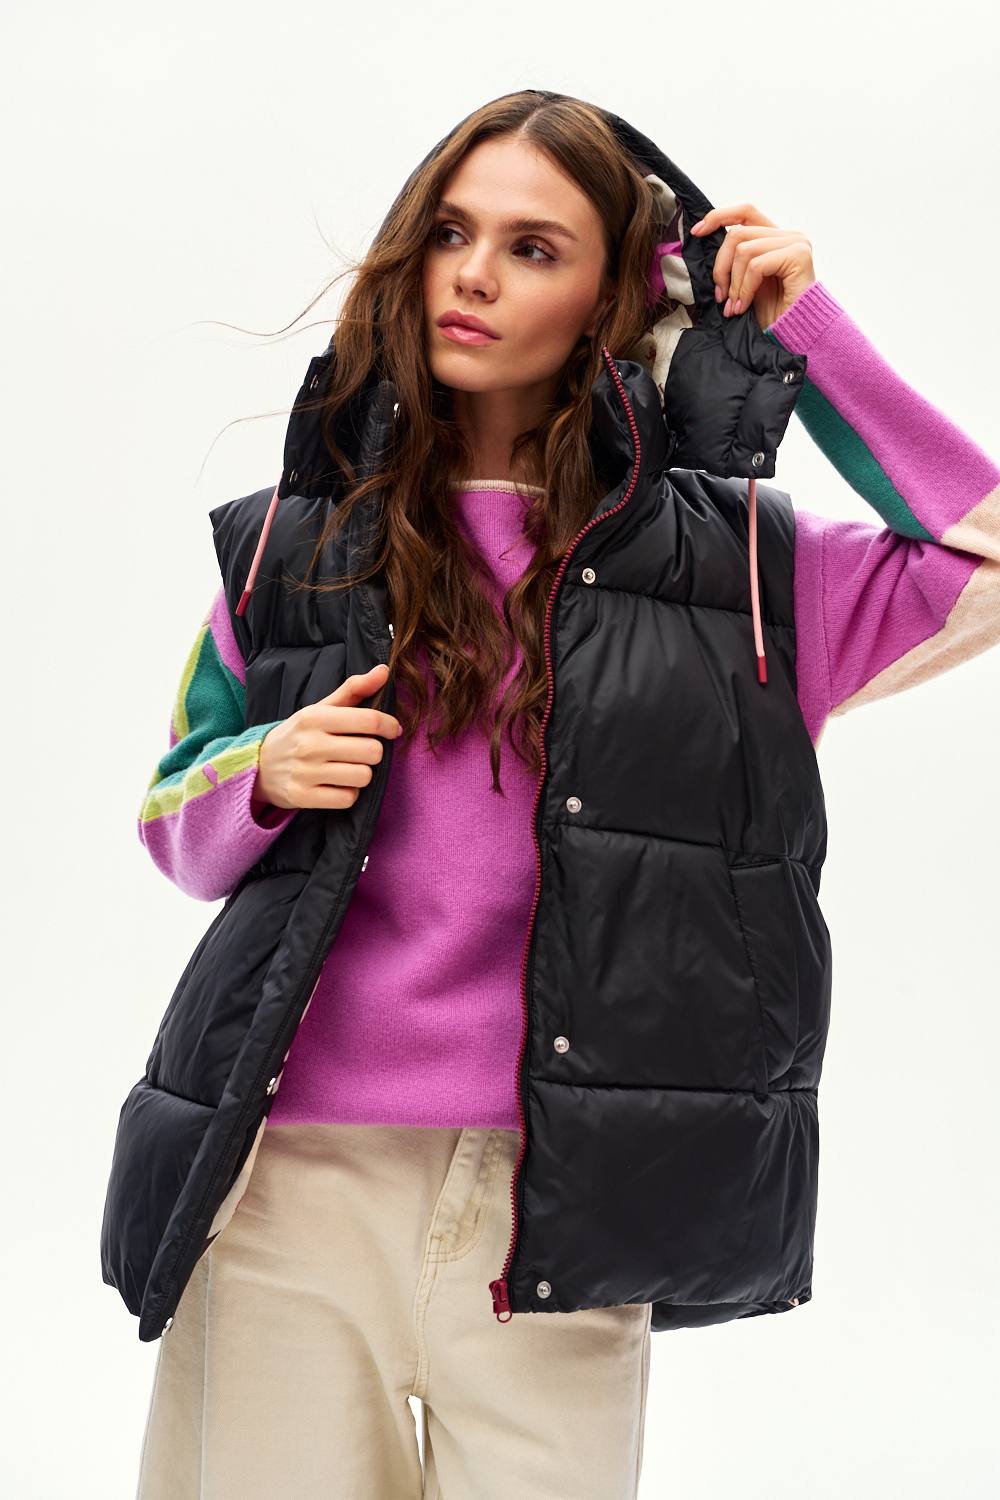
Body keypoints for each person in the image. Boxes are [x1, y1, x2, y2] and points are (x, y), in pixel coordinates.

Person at [109, 90, 1000, 1499]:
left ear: (616, 299)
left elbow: (984, 559)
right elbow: (173, 814)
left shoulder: (746, 574)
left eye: (534, 248)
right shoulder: (295, 548)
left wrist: (811, 345)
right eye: (450, 233)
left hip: (563, 1209)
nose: (473, 274)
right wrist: (259, 776)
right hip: (289, 1185)